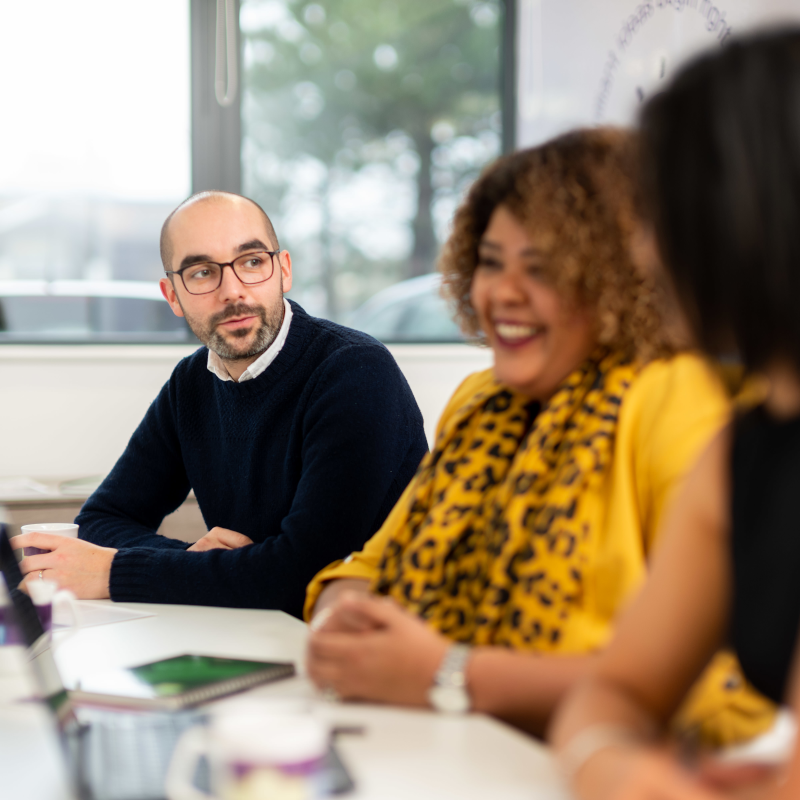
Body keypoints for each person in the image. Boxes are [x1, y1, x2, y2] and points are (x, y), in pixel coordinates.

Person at [303, 128, 774, 743]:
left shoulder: (674, 396)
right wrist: (345, 617)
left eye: (544, 268)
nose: (503, 293)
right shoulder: (479, 400)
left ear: (616, 280)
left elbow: (728, 687)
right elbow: (367, 567)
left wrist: (450, 676)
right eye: (492, 263)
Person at [550, 29, 800, 800]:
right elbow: (614, 690)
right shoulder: (745, 448)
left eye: (659, 210)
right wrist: (620, 768)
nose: (642, 249)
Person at [12, 192, 428, 618]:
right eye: (202, 272)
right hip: (257, 630)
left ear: (282, 270)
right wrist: (195, 562)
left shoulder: (356, 371)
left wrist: (117, 572)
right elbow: (102, 519)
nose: (233, 291)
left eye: (251, 262)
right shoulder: (191, 383)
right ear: (172, 295)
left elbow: (304, 574)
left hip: (379, 644)